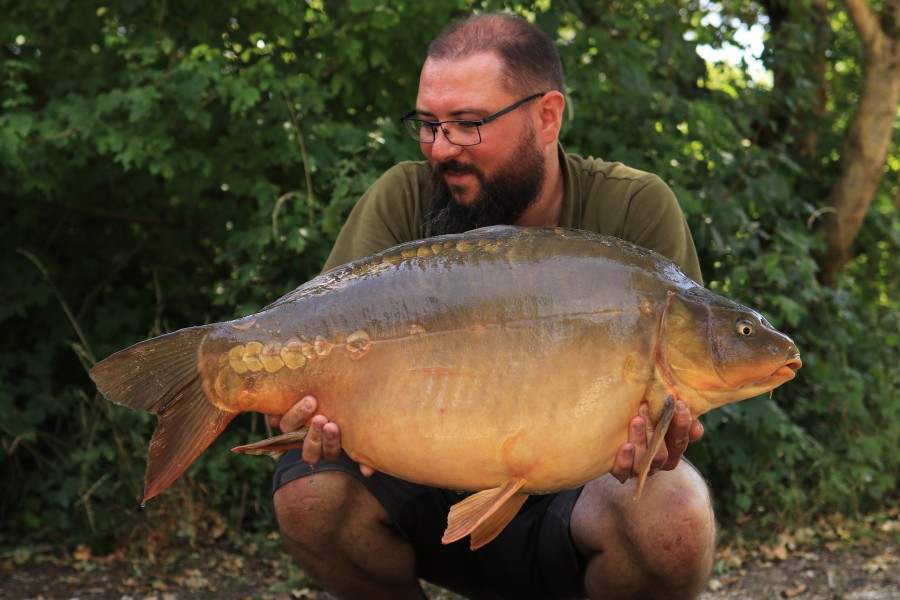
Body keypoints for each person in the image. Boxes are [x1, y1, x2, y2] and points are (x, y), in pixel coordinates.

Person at [270, 13, 714, 600]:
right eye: (428, 125)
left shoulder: (634, 208)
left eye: (468, 124)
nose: (442, 149)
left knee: (677, 519)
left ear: (547, 117)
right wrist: (306, 408)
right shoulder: (403, 199)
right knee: (310, 493)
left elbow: (680, 391)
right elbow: (314, 348)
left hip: (581, 493)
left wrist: (659, 437)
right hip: (419, 480)